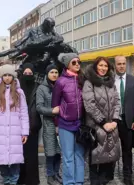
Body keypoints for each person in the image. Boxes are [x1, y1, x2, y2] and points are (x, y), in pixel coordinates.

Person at [82, 57, 121, 185]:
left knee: (109, 158)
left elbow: (117, 102)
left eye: (106, 66)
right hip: (96, 127)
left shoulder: (111, 82)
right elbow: (89, 105)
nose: (103, 68)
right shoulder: (89, 83)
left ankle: (105, 180)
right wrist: (103, 122)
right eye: (101, 65)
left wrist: (115, 120)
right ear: (95, 67)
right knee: (95, 158)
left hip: (111, 126)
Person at [0, 65, 29, 185]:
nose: (7, 78)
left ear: (13, 76)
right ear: (1, 77)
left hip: (15, 132)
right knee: (2, 162)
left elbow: (24, 112)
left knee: (15, 161)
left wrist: (24, 132)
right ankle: (6, 180)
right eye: (5, 75)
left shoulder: (19, 92)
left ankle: (13, 181)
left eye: (9, 75)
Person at [52, 53, 85, 185]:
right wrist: (57, 124)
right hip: (65, 124)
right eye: (74, 62)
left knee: (79, 155)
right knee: (68, 156)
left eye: (78, 62)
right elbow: (55, 105)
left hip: (81, 124)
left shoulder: (83, 79)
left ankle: (79, 182)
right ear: (67, 65)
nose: (77, 64)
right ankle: (69, 182)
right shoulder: (60, 81)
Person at [114, 55, 134, 185]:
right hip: (113, 120)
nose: (121, 66)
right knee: (111, 149)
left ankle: (127, 178)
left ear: (126, 65)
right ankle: (107, 175)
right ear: (115, 65)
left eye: (123, 63)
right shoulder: (109, 80)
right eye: (119, 63)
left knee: (127, 151)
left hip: (128, 120)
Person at [36, 64, 62, 185]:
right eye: (52, 72)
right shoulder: (42, 88)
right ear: (47, 74)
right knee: (50, 152)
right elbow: (39, 107)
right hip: (49, 123)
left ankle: (57, 173)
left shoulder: (61, 85)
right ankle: (50, 175)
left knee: (59, 151)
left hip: (62, 122)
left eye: (56, 72)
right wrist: (51, 111)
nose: (54, 75)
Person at [18, 63, 42, 185]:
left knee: (32, 156)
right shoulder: (16, 88)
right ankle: (20, 178)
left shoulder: (37, 87)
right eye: (25, 73)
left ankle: (32, 180)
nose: (28, 76)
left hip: (33, 126)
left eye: (30, 74)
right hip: (18, 127)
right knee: (19, 154)